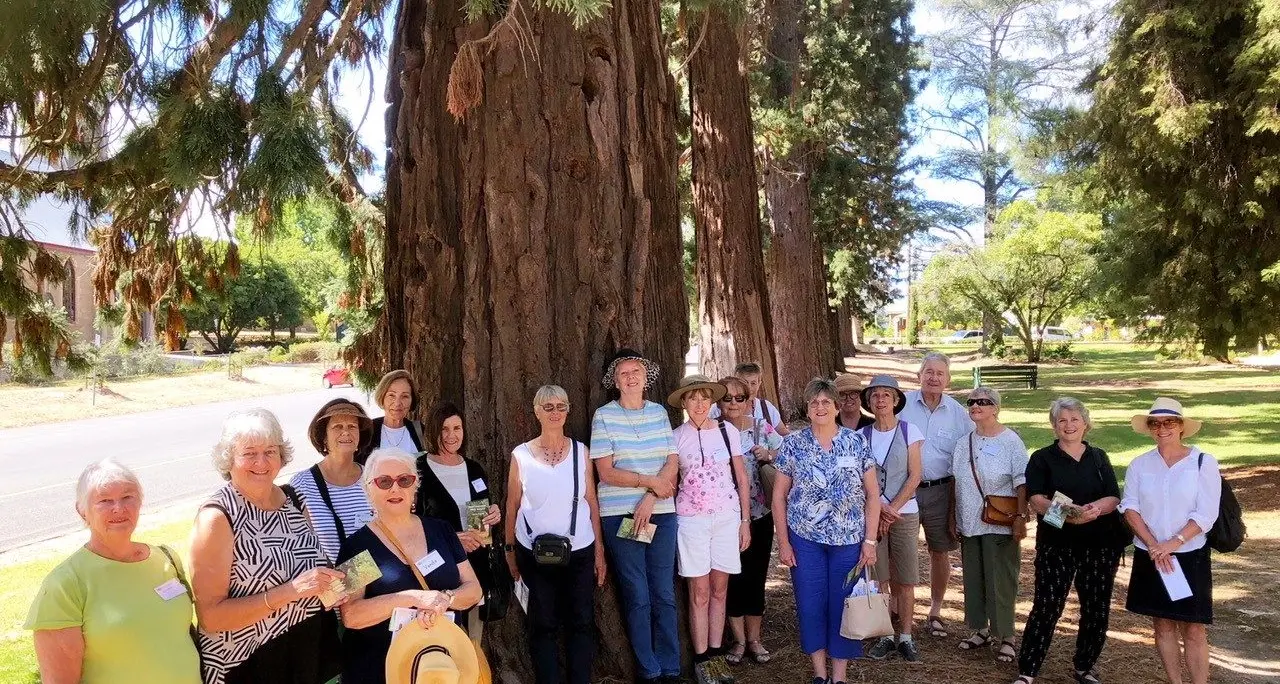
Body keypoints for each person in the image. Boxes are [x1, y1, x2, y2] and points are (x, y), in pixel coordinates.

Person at [190, 408, 345, 684]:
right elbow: (210, 617)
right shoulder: (218, 517)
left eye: (270, 451)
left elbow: (313, 570)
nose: (261, 462)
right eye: (249, 453)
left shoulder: (292, 499)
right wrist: (290, 591)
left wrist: (340, 585)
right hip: (249, 664)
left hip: (306, 652)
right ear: (229, 459)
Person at [26, 459, 201, 684]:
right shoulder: (65, 584)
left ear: (140, 502)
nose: (119, 508)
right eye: (104, 500)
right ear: (82, 511)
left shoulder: (166, 559)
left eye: (128, 497)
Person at [337, 447, 483, 684]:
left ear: (415, 486)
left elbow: (473, 590)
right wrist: (411, 598)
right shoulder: (357, 546)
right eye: (384, 481)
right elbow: (352, 615)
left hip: (438, 668)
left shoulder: (441, 530)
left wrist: (446, 599)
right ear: (368, 489)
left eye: (404, 480)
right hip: (377, 671)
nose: (395, 488)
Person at [775, 377, 881, 684]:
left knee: (843, 606)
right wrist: (783, 542)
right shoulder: (793, 444)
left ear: (836, 407)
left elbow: (873, 494)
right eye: (813, 402)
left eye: (826, 402)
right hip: (805, 540)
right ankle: (820, 674)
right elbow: (779, 495)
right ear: (807, 409)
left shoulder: (856, 441)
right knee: (811, 605)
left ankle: (840, 677)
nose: (820, 407)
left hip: (849, 540)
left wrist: (870, 540)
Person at [1014, 398, 1127, 684]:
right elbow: (1037, 500)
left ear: (1085, 423)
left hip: (1100, 544)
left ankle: (1085, 666)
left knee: (1096, 606)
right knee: (1047, 605)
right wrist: (1073, 516)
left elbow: (1114, 496)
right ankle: (1028, 670)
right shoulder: (1042, 457)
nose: (1069, 425)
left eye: (1075, 419)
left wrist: (1095, 510)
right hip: (1057, 543)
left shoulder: (1099, 457)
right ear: (1054, 425)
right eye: (1062, 420)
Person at [503, 385, 606, 684]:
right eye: (548, 407)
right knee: (543, 623)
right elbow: (512, 503)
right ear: (536, 411)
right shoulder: (520, 455)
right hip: (534, 553)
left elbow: (591, 502)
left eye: (561, 406)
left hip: (579, 551)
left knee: (582, 622)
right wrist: (510, 551)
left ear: (568, 410)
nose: (555, 412)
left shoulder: (580, 452)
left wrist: (599, 551)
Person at [591, 348, 681, 684]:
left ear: (646, 378)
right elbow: (606, 472)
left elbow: (672, 462)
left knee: (664, 593)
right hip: (621, 516)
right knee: (638, 595)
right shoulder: (604, 416)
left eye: (636, 372)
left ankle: (670, 667)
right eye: (624, 373)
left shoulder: (659, 413)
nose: (631, 377)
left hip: (660, 514)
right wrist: (648, 486)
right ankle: (649, 669)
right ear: (616, 381)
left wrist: (649, 498)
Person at [1120, 398, 1220, 684]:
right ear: (1149, 428)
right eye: (1155, 423)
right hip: (1151, 554)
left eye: (1169, 422)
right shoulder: (1140, 464)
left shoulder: (1202, 462)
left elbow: (1206, 513)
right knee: (1162, 625)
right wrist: (1154, 544)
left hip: (1188, 555)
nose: (1162, 428)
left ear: (1181, 427)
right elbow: (1130, 507)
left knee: (1194, 628)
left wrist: (1172, 543)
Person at [669, 375, 752, 683]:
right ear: (684, 403)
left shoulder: (727, 430)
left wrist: (744, 521)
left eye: (705, 398)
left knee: (720, 589)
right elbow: (670, 477)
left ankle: (717, 654)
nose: (700, 404)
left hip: (727, 518)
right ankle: (702, 657)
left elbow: (742, 478)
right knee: (699, 592)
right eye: (693, 398)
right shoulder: (676, 436)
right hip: (692, 520)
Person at [949, 386, 1028, 665]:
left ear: (995, 408)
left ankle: (1006, 636)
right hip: (969, 521)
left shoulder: (1011, 441)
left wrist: (1020, 517)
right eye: (971, 402)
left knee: (1001, 580)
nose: (975, 406)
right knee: (974, 578)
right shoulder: (963, 443)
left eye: (983, 402)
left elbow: (1022, 481)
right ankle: (980, 630)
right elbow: (955, 482)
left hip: (1000, 523)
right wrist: (953, 518)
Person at [898, 351, 974, 638]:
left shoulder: (958, 414)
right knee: (898, 550)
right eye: (928, 372)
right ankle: (897, 605)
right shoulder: (902, 405)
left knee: (939, 551)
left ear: (948, 379)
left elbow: (968, 453)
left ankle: (935, 610)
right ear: (919, 376)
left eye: (940, 373)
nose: (933, 377)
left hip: (940, 490)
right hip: (903, 490)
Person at [414, 402, 502, 640]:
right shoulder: (418, 470)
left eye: (457, 428)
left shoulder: (474, 468)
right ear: (433, 431)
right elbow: (413, 524)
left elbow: (483, 508)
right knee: (445, 638)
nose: (452, 436)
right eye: (445, 429)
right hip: (440, 571)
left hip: (478, 565)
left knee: (473, 639)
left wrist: (494, 514)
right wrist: (451, 540)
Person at [858, 374, 924, 663]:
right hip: (874, 516)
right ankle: (885, 634)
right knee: (880, 575)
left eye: (886, 395)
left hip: (905, 514)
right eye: (875, 395)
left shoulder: (911, 431)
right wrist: (880, 511)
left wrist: (892, 508)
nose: (880, 400)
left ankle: (906, 636)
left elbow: (915, 475)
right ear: (869, 402)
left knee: (906, 577)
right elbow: (859, 479)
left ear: (896, 401)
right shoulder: (862, 436)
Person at [719, 375, 783, 667]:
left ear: (749, 400)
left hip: (759, 514)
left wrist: (768, 454)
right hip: (723, 516)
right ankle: (738, 639)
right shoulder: (712, 430)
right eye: (727, 398)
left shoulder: (761, 428)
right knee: (731, 577)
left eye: (739, 398)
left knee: (756, 576)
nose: (733, 403)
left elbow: (788, 456)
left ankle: (755, 638)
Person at [290, 398, 376, 561]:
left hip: (380, 579)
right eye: (338, 427)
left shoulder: (374, 478)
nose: (346, 432)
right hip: (332, 581)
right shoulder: (302, 484)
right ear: (324, 437)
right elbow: (299, 545)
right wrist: (356, 579)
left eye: (352, 426)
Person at [359, 369, 425, 464]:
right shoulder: (367, 430)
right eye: (391, 395)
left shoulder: (420, 431)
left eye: (405, 396)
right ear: (382, 398)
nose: (397, 403)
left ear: (412, 400)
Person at [710, 361, 790, 436]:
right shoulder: (718, 409)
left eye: (753, 383)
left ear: (759, 384)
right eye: (744, 383)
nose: (748, 388)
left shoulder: (765, 408)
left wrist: (769, 451)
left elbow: (783, 434)